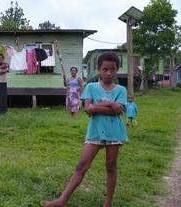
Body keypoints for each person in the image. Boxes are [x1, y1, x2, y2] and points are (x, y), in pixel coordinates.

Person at [41, 52, 128, 207]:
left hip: (114, 133)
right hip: (95, 131)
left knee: (111, 166)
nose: (109, 73)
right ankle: (62, 201)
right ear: (98, 69)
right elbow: (88, 109)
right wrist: (110, 103)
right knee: (81, 165)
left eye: (113, 69)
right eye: (105, 69)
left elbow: (119, 111)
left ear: (117, 70)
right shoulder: (91, 87)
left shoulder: (121, 90)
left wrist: (99, 105)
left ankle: (108, 204)